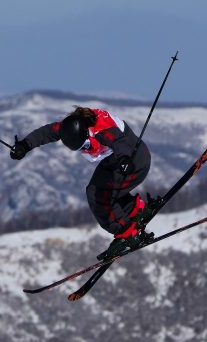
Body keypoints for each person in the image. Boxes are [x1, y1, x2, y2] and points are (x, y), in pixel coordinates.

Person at [10, 106, 154, 260]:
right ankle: (134, 210)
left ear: (86, 132)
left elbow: (119, 141)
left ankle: (127, 233)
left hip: (132, 161)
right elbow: (48, 132)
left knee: (99, 197)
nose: (85, 149)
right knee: (97, 190)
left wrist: (125, 159)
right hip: (119, 160)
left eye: (85, 145)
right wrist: (25, 145)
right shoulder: (69, 125)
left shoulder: (99, 129)